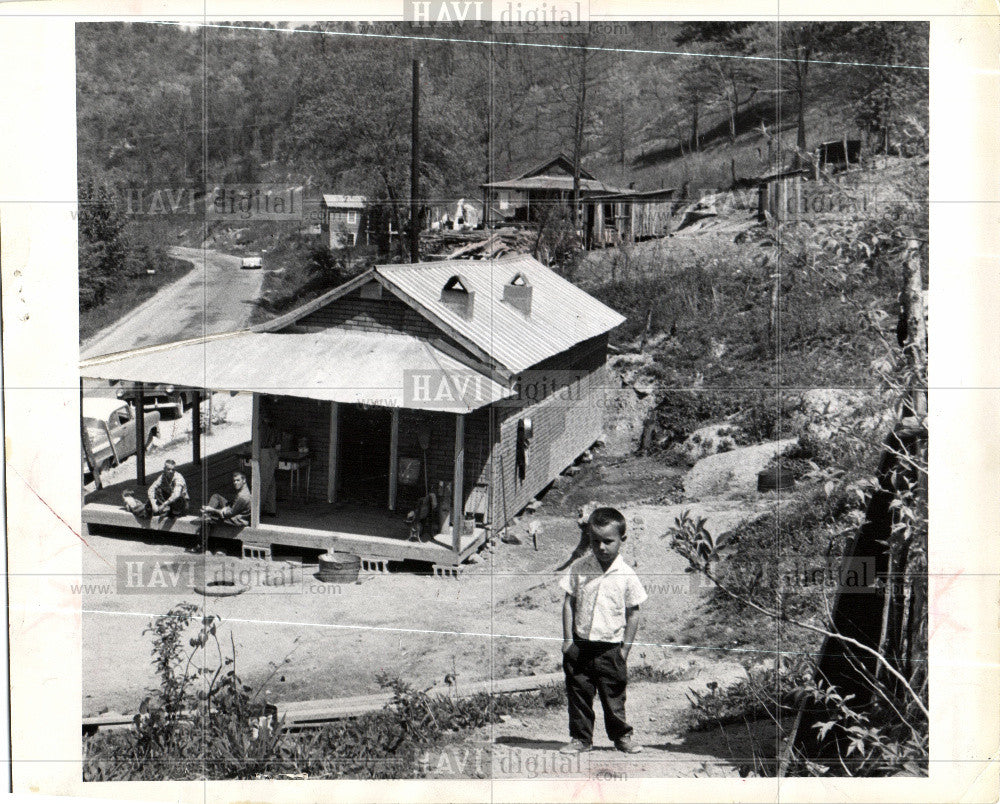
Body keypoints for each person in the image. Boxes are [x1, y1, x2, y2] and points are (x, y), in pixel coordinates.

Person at [558, 506, 647, 755]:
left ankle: (622, 737)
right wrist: (567, 641)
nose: (601, 547)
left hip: (611, 648)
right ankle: (581, 739)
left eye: (608, 541)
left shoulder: (627, 575)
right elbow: (568, 602)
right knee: (578, 695)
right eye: (595, 541)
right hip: (580, 645)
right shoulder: (579, 568)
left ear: (622, 540)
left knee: (614, 696)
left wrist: (625, 649)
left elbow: (634, 612)